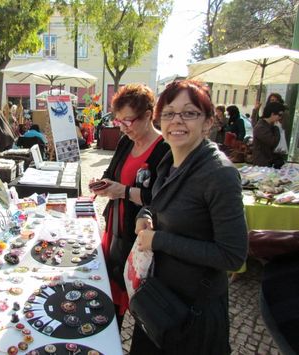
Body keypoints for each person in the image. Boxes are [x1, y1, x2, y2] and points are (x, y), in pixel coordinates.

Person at [133, 80, 247, 354]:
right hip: (160, 296)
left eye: (189, 113)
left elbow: (232, 255)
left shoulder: (220, 174)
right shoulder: (171, 160)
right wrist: (144, 214)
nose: (177, 121)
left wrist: (158, 240)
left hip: (192, 313)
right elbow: (158, 203)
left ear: (208, 122)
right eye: (169, 113)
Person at [89, 83, 170, 329]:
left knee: (132, 291)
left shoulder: (164, 149)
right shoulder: (126, 142)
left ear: (148, 115)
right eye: (119, 121)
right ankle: (107, 332)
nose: (123, 128)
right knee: (110, 291)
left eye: (128, 121)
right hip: (114, 227)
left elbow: (159, 199)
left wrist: (123, 191)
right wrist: (101, 183)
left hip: (137, 236)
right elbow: (111, 171)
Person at [252, 101, 285, 168]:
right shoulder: (261, 127)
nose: (280, 118)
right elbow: (273, 142)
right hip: (262, 164)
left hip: (270, 161)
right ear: (272, 114)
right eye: (280, 115)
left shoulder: (269, 125)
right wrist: (277, 128)